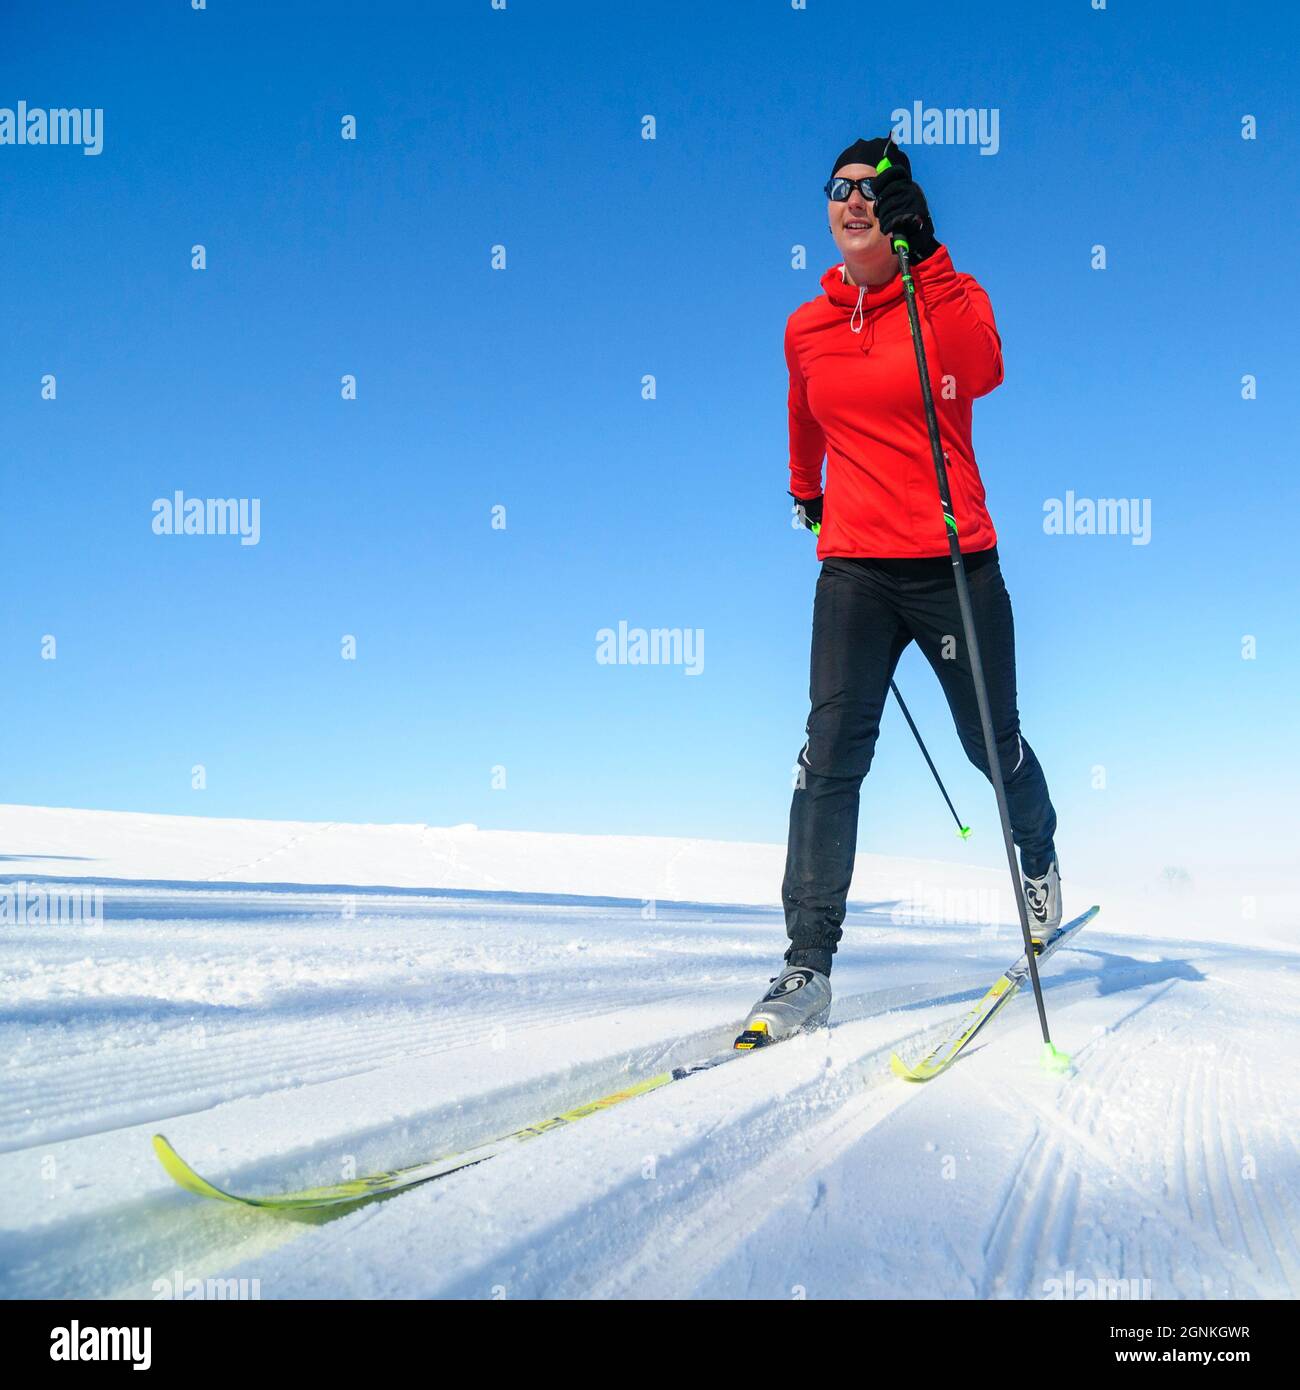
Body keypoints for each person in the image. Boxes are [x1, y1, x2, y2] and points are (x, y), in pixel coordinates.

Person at [735, 137, 1061, 1051]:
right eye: (837, 189)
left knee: (991, 745)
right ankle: (807, 963)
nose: (851, 204)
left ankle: (1038, 859)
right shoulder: (806, 327)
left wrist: (936, 261)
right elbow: (805, 413)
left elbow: (983, 366)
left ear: (901, 209)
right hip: (856, 569)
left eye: (872, 192)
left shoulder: (945, 302)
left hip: (953, 562)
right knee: (830, 752)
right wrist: (807, 490)